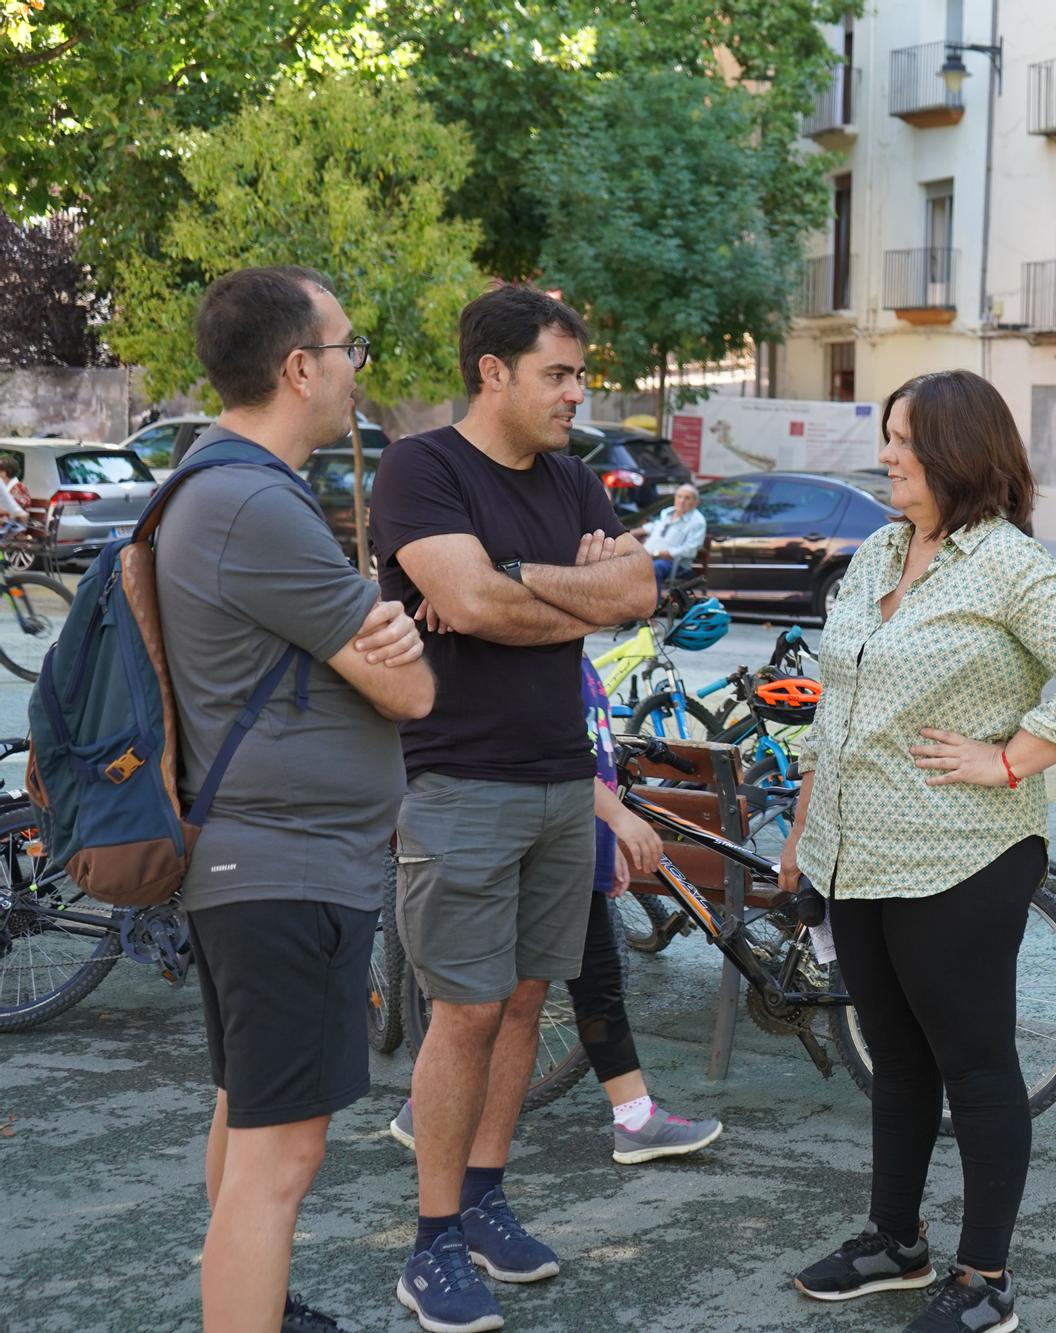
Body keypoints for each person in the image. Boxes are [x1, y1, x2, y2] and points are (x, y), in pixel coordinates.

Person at [778, 369, 1056, 1333]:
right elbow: (838, 704)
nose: (886, 452)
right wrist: (806, 828)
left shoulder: (1010, 563)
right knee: (895, 1060)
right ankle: (896, 1241)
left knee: (974, 1065)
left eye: (903, 438)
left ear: (957, 450)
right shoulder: (877, 554)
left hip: (963, 853)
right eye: (887, 435)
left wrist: (1012, 757)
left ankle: (986, 1280)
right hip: (857, 852)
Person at [369, 285, 657, 1333]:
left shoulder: (574, 476)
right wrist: (541, 591)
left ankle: (485, 1197)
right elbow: (473, 604)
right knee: (468, 1010)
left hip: (555, 775)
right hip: (455, 779)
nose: (576, 394)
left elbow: (635, 594)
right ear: (492, 372)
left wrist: (507, 580)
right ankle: (431, 1240)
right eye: (558, 374)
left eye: (579, 375)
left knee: (527, 1003)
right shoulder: (422, 469)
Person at [155, 266, 434, 1333]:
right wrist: (391, 636)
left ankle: (255, 1302)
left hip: (259, 863)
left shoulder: (212, 482)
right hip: (283, 868)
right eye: (349, 345)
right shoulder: (254, 504)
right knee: (284, 1155)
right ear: (298, 365)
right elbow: (405, 686)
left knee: (249, 1114)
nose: (359, 367)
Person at [387, 654, 724, 1164]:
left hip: (572, 842)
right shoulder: (537, 660)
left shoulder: (575, 661)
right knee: (496, 996)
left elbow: (594, 759)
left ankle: (632, 1117)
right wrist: (616, 821)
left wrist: (604, 846)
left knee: (584, 982)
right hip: (538, 841)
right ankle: (428, 1110)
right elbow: (545, 757)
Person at [642, 483, 706, 586]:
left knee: (653, 568)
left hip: (675, 564)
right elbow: (653, 527)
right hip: (648, 556)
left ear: (696, 502)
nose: (682, 501)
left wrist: (657, 554)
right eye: (679, 496)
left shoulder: (697, 522)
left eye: (687, 498)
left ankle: (653, 602)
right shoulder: (668, 513)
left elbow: (689, 551)